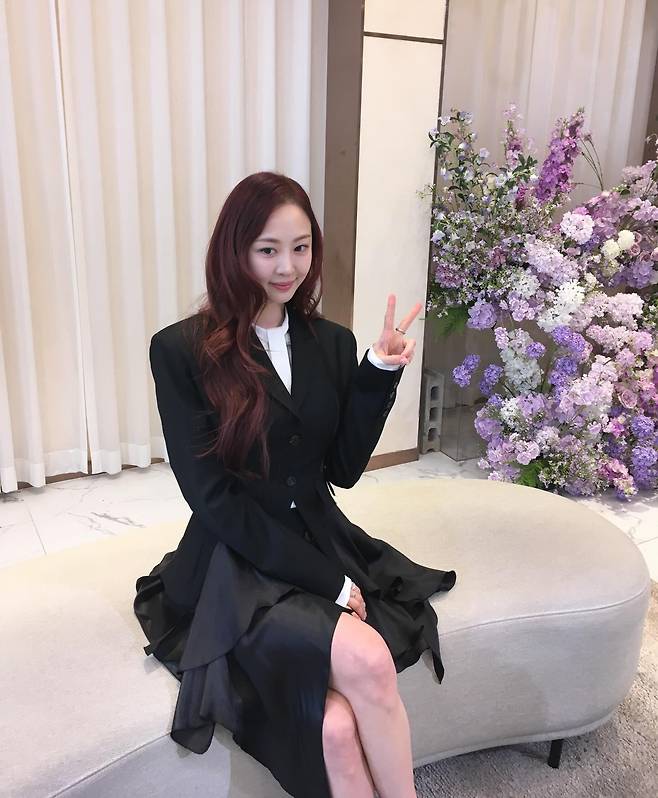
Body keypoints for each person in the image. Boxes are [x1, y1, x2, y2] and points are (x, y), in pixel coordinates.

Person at [133, 171, 457, 798]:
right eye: (268, 249)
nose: (288, 267)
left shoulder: (330, 343)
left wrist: (377, 373)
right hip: (235, 560)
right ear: (234, 251)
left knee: (335, 727)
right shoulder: (181, 350)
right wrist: (330, 582)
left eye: (301, 247)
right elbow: (212, 498)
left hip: (317, 533)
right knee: (366, 661)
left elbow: (342, 470)